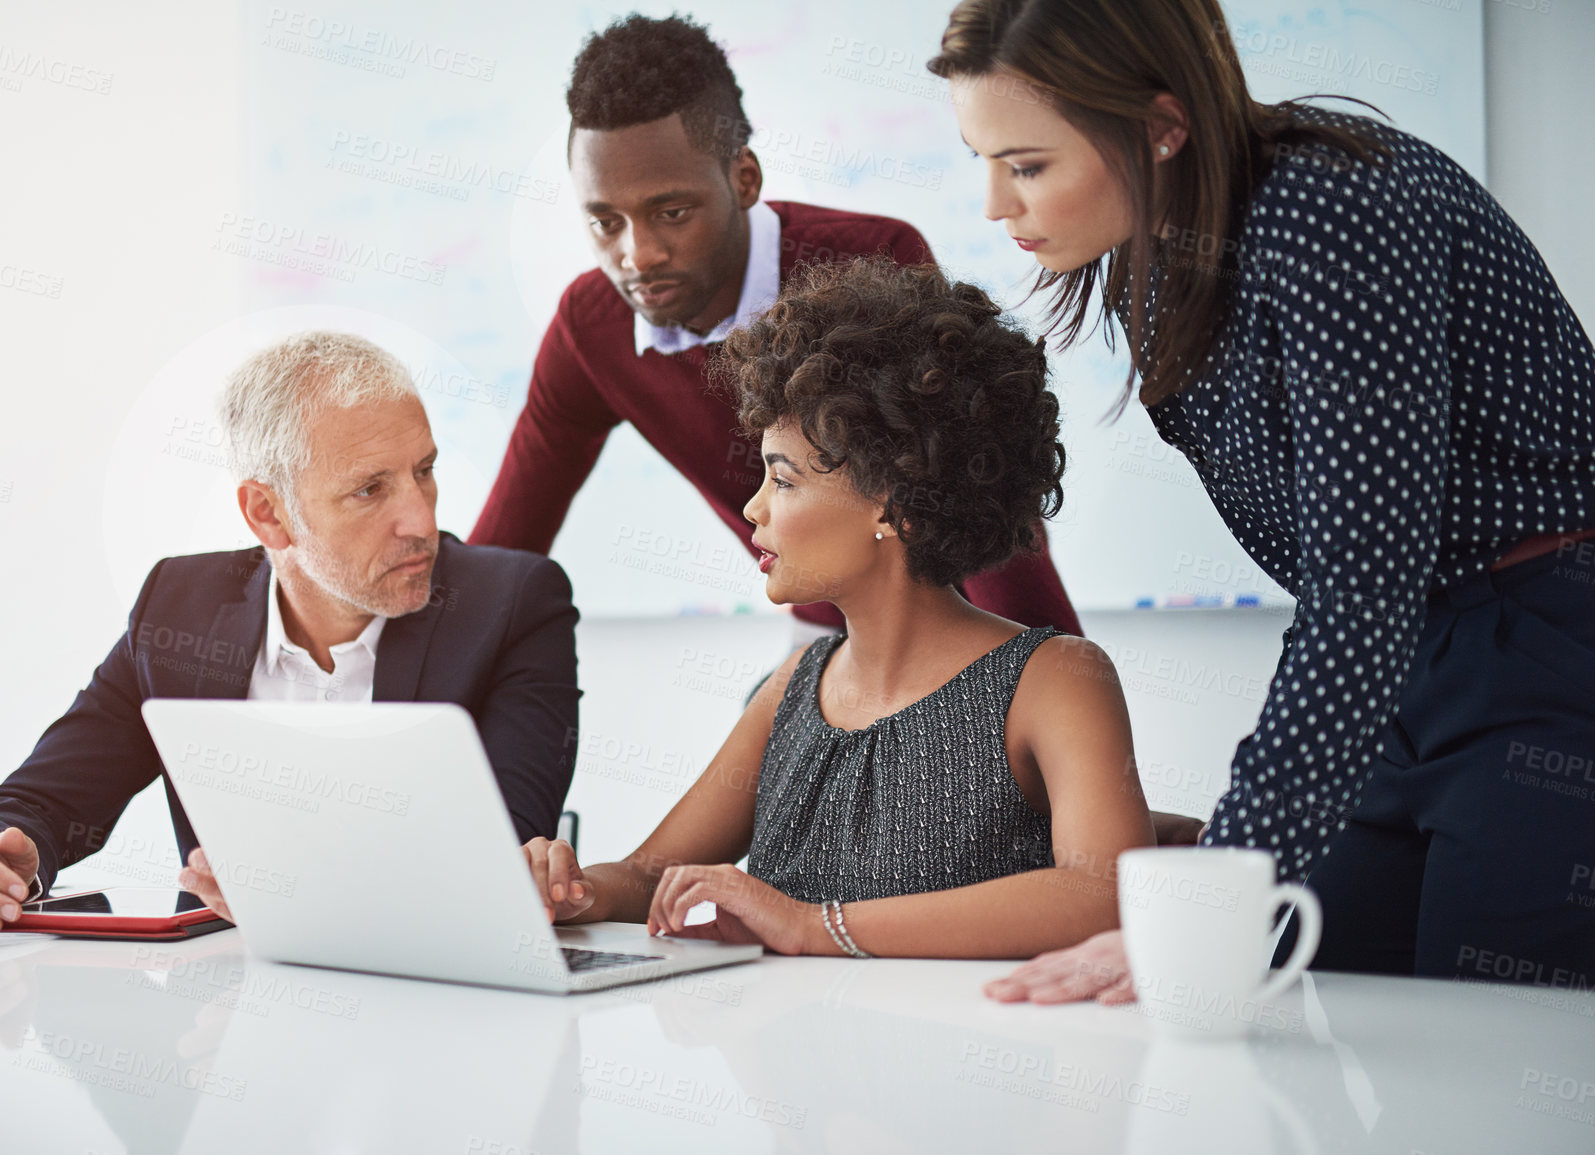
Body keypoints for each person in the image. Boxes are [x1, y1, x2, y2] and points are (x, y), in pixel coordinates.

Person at [919, 0, 1595, 999]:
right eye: (985, 161)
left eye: (1027, 167)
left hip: (1538, 654)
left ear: (1161, 127)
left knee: (1479, 1044)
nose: (995, 206)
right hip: (1399, 666)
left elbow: (1363, 582)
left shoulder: (1329, 209)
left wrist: (1209, 902)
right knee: (1314, 1012)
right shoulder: (1159, 255)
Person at [520, 257, 1159, 958]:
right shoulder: (794, 685)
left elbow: (1100, 894)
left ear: (894, 502)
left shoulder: (1055, 677)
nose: (752, 506)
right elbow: (649, 874)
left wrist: (812, 925)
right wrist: (576, 888)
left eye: (783, 478)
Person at [0, 332, 582, 932]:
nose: (419, 517)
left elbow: (501, 859)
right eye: (369, 490)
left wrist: (304, 893)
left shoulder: (514, 603)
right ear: (268, 513)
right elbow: (46, 795)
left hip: (436, 1011)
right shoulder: (178, 608)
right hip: (223, 1012)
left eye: (424, 470)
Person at [467, 12, 1082, 642]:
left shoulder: (868, 262)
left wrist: (1045, 664)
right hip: (821, 632)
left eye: (671, 211)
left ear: (744, 179)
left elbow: (980, 494)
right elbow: (502, 557)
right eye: (605, 222)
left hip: (951, 620)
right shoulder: (591, 328)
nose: (638, 254)